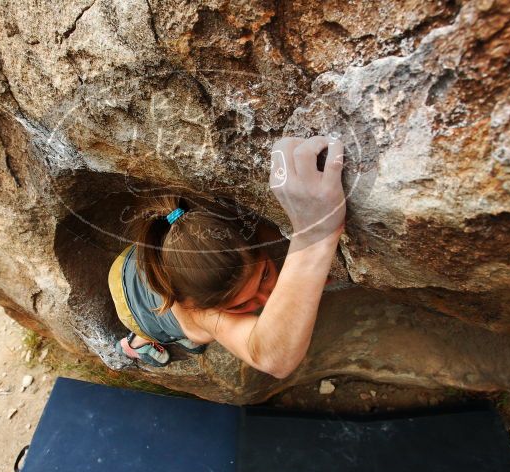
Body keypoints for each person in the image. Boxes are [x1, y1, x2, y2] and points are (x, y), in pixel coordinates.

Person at [108, 134, 346, 378]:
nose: (267, 298)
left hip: (133, 266)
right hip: (136, 308)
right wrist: (314, 236)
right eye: (241, 304)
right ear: (196, 305)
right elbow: (272, 358)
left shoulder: (193, 236)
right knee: (170, 331)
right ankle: (137, 345)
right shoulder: (201, 315)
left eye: (264, 275)